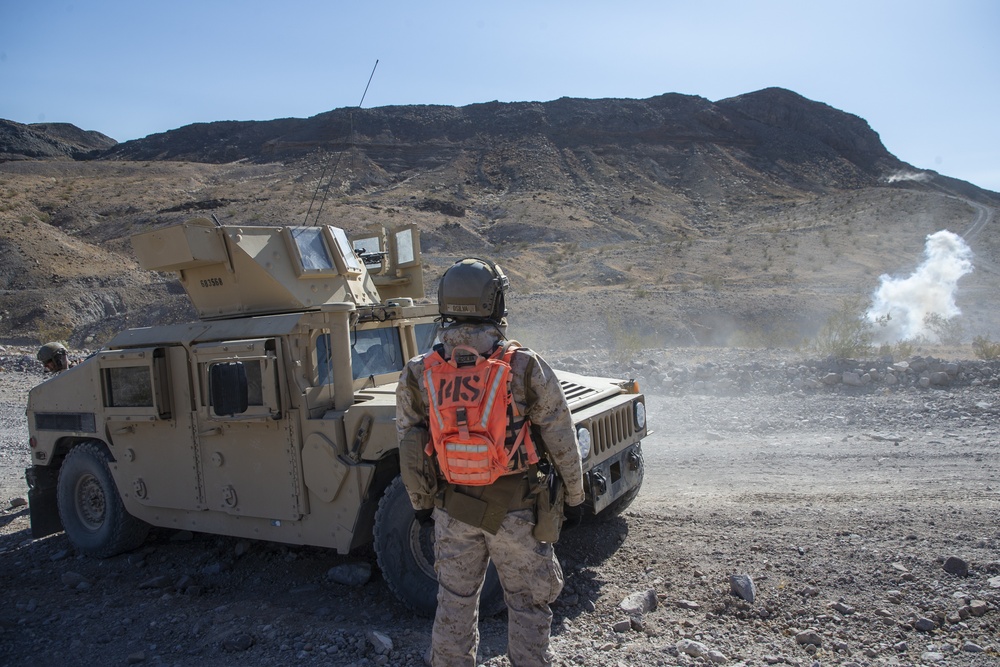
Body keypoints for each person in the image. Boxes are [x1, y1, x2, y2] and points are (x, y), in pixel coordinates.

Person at [396, 257, 585, 667]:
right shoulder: (521, 365)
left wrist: (420, 504)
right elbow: (559, 433)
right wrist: (573, 491)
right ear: (495, 302)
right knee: (528, 603)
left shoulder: (418, 372)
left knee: (455, 602)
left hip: (453, 508)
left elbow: (410, 447)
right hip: (515, 511)